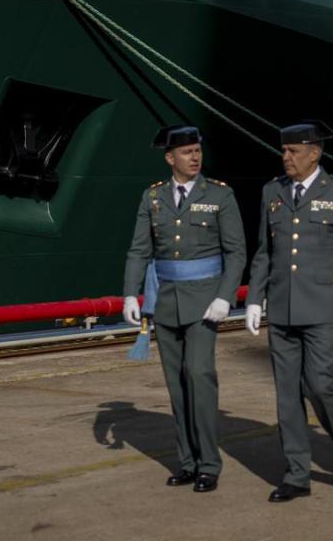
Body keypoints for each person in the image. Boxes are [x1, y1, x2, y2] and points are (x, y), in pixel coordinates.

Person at [121, 125, 246, 492]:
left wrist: (226, 296)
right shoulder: (153, 197)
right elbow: (140, 250)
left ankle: (209, 464)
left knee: (200, 376)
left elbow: (235, 251)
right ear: (170, 158)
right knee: (176, 386)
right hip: (165, 302)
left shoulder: (220, 195)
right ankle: (188, 462)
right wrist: (131, 294)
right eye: (187, 152)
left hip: (205, 302)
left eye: (197, 151)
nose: (195, 157)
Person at [244, 121, 333, 502]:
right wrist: (254, 298)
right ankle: (297, 474)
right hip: (282, 308)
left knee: (321, 384)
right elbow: (265, 250)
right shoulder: (272, 191)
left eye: (294, 151)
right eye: (284, 150)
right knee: (286, 394)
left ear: (315, 153)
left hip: (324, 309)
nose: (286, 157)